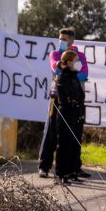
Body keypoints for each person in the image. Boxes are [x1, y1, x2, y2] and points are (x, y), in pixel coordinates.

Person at [38, 27, 89, 179]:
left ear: (72, 41)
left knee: (74, 135)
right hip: (57, 99)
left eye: (64, 39)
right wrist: (72, 71)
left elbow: (85, 74)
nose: (61, 42)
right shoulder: (55, 54)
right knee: (51, 132)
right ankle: (44, 166)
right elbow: (57, 69)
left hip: (76, 101)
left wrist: (69, 71)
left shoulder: (80, 55)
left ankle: (74, 168)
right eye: (60, 38)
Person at [53, 50, 86, 185]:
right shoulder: (62, 78)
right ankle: (60, 174)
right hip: (66, 113)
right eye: (76, 59)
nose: (78, 62)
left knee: (74, 144)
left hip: (76, 114)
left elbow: (80, 96)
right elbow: (70, 97)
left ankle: (72, 172)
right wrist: (75, 100)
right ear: (68, 62)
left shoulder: (75, 77)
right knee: (64, 145)